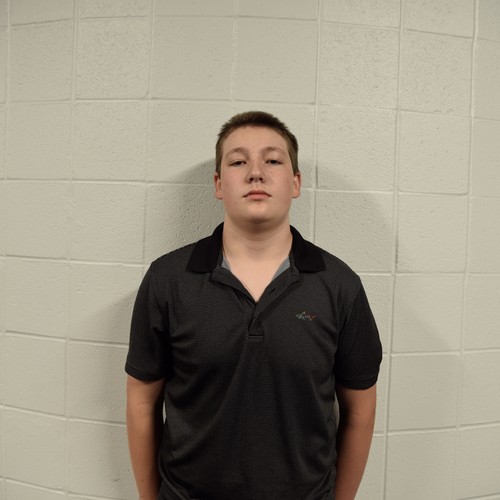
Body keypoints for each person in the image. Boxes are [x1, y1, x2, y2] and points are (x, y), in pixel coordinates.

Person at [125, 111, 382, 500]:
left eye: (273, 160)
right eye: (238, 162)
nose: (256, 173)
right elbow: (142, 403)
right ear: (218, 184)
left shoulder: (339, 285)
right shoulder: (168, 280)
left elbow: (360, 412)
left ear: (295, 183)